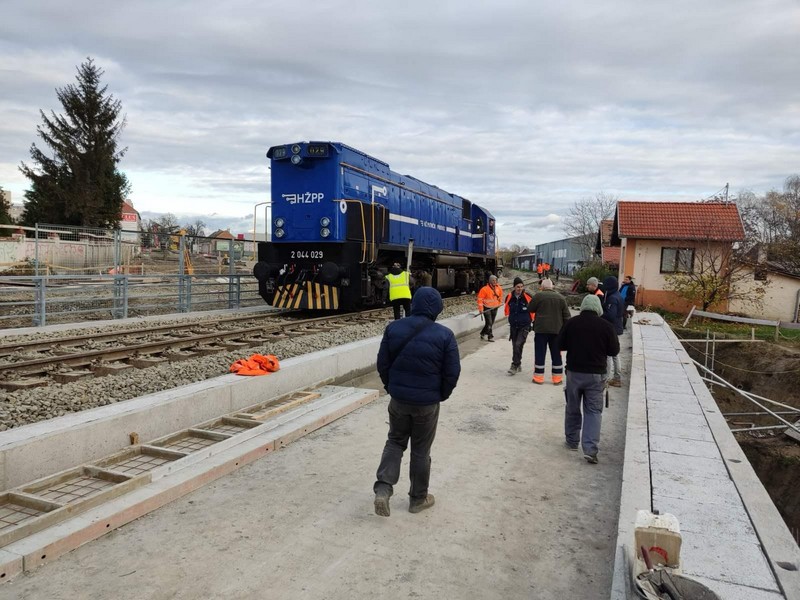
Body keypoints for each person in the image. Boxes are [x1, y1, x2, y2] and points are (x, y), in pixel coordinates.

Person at [374, 287, 461, 517]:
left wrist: (391, 387)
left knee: (395, 441)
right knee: (421, 450)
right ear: (437, 308)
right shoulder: (445, 335)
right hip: (427, 404)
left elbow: (382, 364)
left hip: (399, 400)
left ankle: (383, 489)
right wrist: (440, 394)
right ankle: (418, 499)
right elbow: (452, 373)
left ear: (415, 304)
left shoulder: (394, 328)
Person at [558, 294, 620, 464]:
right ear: (598, 308)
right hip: (596, 376)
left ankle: (572, 441)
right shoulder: (606, 326)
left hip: (574, 373)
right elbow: (614, 351)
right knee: (593, 411)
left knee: (572, 407)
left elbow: (560, 345)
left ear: (583, 306)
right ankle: (590, 450)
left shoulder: (572, 323)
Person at [527, 278, 571, 385]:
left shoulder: (538, 296)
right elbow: (567, 316)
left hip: (541, 330)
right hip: (556, 331)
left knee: (540, 353)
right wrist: (565, 331)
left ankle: (538, 378)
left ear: (542, 287)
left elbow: (530, 308)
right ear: (552, 287)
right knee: (556, 354)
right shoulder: (561, 298)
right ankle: (557, 379)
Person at [504, 277, 533, 375]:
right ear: (514, 287)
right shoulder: (509, 297)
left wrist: (533, 322)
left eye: (521, 286)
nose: (520, 288)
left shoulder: (527, 297)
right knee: (515, 346)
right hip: (514, 326)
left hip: (524, 326)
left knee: (518, 344)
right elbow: (507, 308)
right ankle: (518, 364)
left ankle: (514, 365)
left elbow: (534, 309)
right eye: (518, 287)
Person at [601, 276, 625, 387]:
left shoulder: (612, 298)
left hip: (612, 329)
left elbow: (611, 315)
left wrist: (600, 314)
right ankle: (617, 378)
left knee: (609, 354)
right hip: (617, 327)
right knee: (615, 353)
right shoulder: (618, 295)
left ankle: (605, 379)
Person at [477, 274, 503, 341]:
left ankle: (482, 333)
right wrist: (481, 309)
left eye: (496, 280)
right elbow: (480, 299)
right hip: (487, 308)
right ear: (490, 281)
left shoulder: (499, 288)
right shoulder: (484, 289)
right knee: (489, 323)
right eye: (493, 280)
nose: (495, 282)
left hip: (495, 308)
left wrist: (499, 303)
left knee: (491, 322)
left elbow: (500, 296)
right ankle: (490, 336)